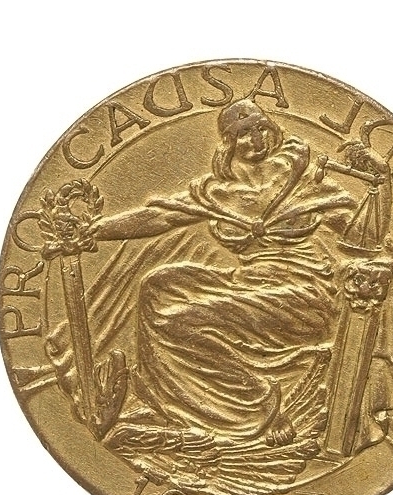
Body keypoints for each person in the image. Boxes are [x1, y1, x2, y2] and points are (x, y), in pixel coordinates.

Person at [82, 99, 362, 443]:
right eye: (244, 133)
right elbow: (159, 216)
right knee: (158, 285)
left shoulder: (303, 183)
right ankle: (178, 404)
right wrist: (92, 231)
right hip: (250, 282)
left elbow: (359, 231)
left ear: (275, 132)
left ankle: (260, 406)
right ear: (228, 142)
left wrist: (380, 191)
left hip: (303, 291)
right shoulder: (216, 193)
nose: (256, 139)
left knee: (180, 319)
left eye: (262, 129)